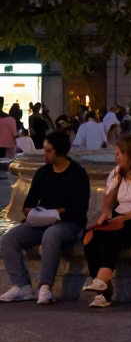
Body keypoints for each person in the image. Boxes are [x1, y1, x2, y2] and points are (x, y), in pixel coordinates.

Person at [0, 130, 90, 304]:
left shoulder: (78, 174)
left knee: (51, 235)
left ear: (60, 151)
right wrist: (36, 214)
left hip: (68, 224)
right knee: (9, 238)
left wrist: (57, 214)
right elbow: (28, 204)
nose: (45, 154)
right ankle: (22, 286)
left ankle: (45, 286)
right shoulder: (43, 173)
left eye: (48, 150)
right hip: (39, 222)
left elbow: (78, 210)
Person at [83, 134, 131, 307]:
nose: (115, 157)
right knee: (88, 235)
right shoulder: (117, 172)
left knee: (109, 236)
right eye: (115, 153)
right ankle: (102, 286)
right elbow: (108, 198)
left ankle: (102, 284)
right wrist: (106, 211)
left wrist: (122, 218)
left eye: (119, 153)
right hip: (122, 218)